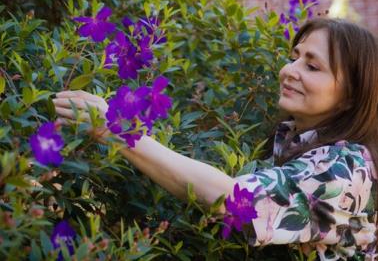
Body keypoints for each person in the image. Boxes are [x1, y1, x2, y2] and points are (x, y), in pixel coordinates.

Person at [53, 18, 378, 260]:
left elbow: (231, 200)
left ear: (351, 96)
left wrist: (118, 129)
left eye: (312, 66)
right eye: (294, 56)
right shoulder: (296, 142)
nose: (290, 70)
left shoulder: (344, 171)